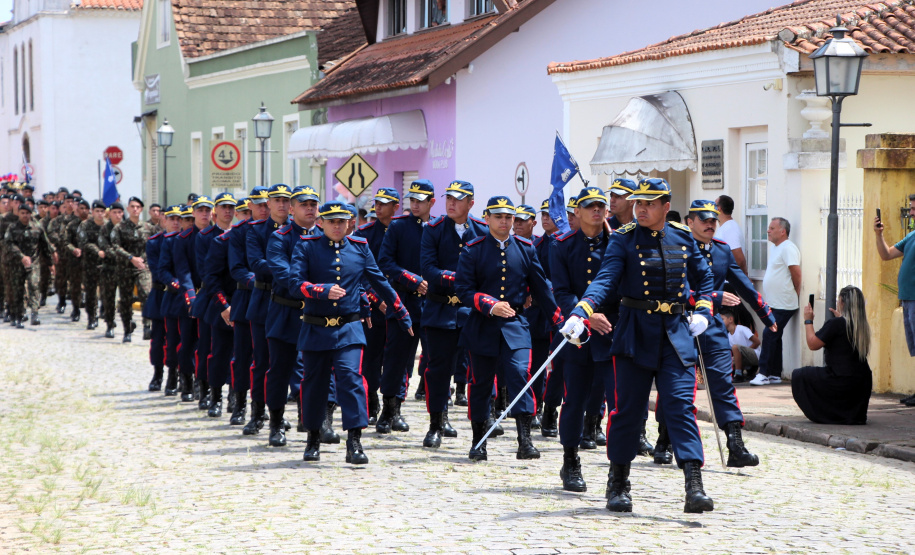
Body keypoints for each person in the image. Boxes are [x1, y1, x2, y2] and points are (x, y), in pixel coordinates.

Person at [560, 178, 717, 514]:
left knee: (679, 407)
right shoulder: (623, 239)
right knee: (628, 412)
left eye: (649, 203)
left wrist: (704, 309)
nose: (641, 209)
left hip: (675, 335)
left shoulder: (682, 237)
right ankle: (618, 483)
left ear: (665, 205)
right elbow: (606, 279)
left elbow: (704, 276)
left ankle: (694, 484)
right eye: (638, 203)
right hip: (634, 334)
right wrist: (581, 311)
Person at [289, 200, 412, 464]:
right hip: (316, 326)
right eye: (331, 221)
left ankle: (354, 442)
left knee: (351, 379)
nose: (336, 226)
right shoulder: (307, 246)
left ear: (349, 224)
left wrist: (400, 311)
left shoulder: (360, 248)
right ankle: (312, 438)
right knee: (314, 383)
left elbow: (379, 280)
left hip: (349, 327)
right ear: (321, 223)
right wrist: (321, 290)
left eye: (341, 221)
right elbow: (294, 283)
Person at [455, 195, 562, 461]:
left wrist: (560, 322)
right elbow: (463, 289)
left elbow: (541, 288)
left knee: (518, 373)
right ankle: (479, 440)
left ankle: (524, 440)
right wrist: (490, 305)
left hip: (515, 324)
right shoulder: (473, 249)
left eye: (509, 217)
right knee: (480, 383)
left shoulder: (526, 248)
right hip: (482, 324)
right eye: (499, 216)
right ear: (487, 217)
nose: (504, 221)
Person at [672, 200, 775, 468]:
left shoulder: (721, 250)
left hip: (712, 327)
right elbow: (674, 290)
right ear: (689, 221)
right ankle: (664, 439)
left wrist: (765, 313)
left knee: (723, 383)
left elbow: (743, 284)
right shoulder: (677, 247)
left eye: (713, 220)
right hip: (679, 324)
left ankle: (735, 444)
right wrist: (715, 296)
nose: (710, 224)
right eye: (703, 219)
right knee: (678, 387)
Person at [550, 187, 614, 491]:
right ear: (576, 211)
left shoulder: (617, 244)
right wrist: (586, 318)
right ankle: (570, 461)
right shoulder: (561, 246)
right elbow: (561, 292)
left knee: (616, 402)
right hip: (579, 334)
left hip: (612, 333)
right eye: (590, 207)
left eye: (601, 206)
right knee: (574, 399)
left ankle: (618, 467)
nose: (597, 211)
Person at [420, 181, 489, 447]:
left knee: (478, 371)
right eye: (449, 198)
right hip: (440, 309)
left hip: (471, 312)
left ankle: (479, 426)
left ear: (471, 203)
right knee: (438, 370)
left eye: (458, 200)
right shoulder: (434, 229)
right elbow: (428, 268)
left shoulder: (482, 230)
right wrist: (460, 279)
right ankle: (436, 423)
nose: (451, 203)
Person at [377, 180, 445, 443]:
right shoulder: (398, 227)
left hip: (433, 303)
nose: (414, 205)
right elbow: (385, 262)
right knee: (396, 359)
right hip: (403, 301)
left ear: (431, 202)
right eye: (411, 200)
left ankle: (440, 418)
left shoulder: (440, 227)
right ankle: (389, 411)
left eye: (420, 201)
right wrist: (412, 279)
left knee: (437, 361)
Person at [355, 187, 405, 434]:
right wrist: (376, 299)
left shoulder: (405, 230)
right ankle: (372, 402)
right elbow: (361, 272)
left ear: (396, 206)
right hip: (373, 306)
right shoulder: (364, 233)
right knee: (372, 357)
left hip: (399, 302)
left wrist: (395, 300)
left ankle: (394, 408)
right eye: (377, 203)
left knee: (399, 358)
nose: (379, 207)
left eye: (385, 204)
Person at [792, 286, 872, 424]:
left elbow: (813, 344)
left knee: (800, 375)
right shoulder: (862, 326)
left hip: (841, 381)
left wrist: (808, 320)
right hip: (861, 384)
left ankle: (830, 415)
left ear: (841, 302)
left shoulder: (837, 324)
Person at [874, 194, 915, 406]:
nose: (912, 212)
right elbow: (887, 254)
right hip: (908, 299)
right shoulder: (912, 236)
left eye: (914, 208)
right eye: (911, 208)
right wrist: (879, 235)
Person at [750, 217, 801, 386]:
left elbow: (796, 273)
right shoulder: (776, 248)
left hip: (784, 303)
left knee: (770, 333)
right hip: (774, 302)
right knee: (775, 336)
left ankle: (763, 372)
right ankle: (775, 373)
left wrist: (796, 293)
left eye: (772, 228)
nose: (768, 231)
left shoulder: (788, 248)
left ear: (782, 231)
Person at [109, 196, 154, 342]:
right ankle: (127, 330)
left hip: (143, 268)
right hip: (125, 268)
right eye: (132, 206)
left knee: (146, 294)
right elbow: (115, 246)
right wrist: (130, 258)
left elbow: (155, 245)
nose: (135, 209)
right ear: (127, 209)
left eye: (138, 207)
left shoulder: (148, 228)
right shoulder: (119, 228)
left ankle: (147, 326)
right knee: (126, 300)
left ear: (141, 210)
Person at [3, 203, 55, 326]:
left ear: (31, 214)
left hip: (34, 262)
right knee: (18, 289)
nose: (25, 216)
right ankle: (19, 315)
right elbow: (8, 244)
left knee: (34, 284)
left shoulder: (37, 227)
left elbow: (45, 246)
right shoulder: (12, 227)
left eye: (27, 213)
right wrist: (21, 256)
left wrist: (50, 263)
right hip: (16, 263)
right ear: (19, 214)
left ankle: (35, 313)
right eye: (22, 213)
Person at [77, 200, 107, 330]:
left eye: (102, 211)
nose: (99, 214)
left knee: (106, 291)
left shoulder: (109, 226)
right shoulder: (84, 225)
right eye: (97, 211)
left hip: (106, 264)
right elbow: (83, 242)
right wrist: (97, 251)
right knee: (90, 292)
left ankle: (104, 310)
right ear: (92, 212)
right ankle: (91, 317)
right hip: (90, 263)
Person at [721, 308, 760, 382]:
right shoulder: (728, 336)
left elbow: (757, 342)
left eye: (722, 319)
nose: (720, 322)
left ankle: (738, 374)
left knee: (735, 347)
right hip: (744, 358)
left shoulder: (742, 329)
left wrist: (743, 353)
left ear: (730, 319)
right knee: (725, 360)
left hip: (755, 355)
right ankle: (745, 372)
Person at [714, 195, 748, 275]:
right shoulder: (726, 227)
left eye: (713, 206)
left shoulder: (729, 228)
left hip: (730, 283)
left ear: (718, 209)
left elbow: (739, 259)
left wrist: (743, 278)